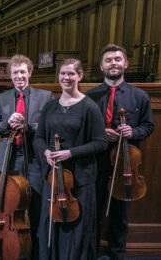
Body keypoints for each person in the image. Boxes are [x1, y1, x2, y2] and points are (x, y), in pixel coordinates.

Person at [33, 58, 108, 260]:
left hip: (80, 180)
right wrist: (46, 153)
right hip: (54, 179)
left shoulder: (89, 107)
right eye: (63, 73)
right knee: (51, 226)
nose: (66, 77)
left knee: (77, 230)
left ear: (80, 76)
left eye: (71, 74)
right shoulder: (50, 107)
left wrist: (70, 153)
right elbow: (39, 138)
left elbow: (101, 142)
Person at [86, 44, 154, 260]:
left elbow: (148, 127)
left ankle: (117, 255)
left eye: (117, 59)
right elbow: (82, 128)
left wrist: (132, 131)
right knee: (93, 213)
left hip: (125, 165)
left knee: (120, 216)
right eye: (108, 60)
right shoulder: (89, 97)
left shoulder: (140, 96)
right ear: (101, 66)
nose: (113, 63)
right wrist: (99, 133)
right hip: (96, 163)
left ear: (125, 63)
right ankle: (92, 253)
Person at [0, 54, 53, 259]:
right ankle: (8, 248)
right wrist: (8, 123)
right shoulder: (2, 98)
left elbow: (49, 126)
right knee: (8, 205)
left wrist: (27, 126)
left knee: (35, 204)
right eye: (15, 72)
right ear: (10, 75)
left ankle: (34, 251)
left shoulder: (45, 96)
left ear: (30, 73)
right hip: (9, 156)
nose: (19, 76)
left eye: (22, 72)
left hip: (34, 157)